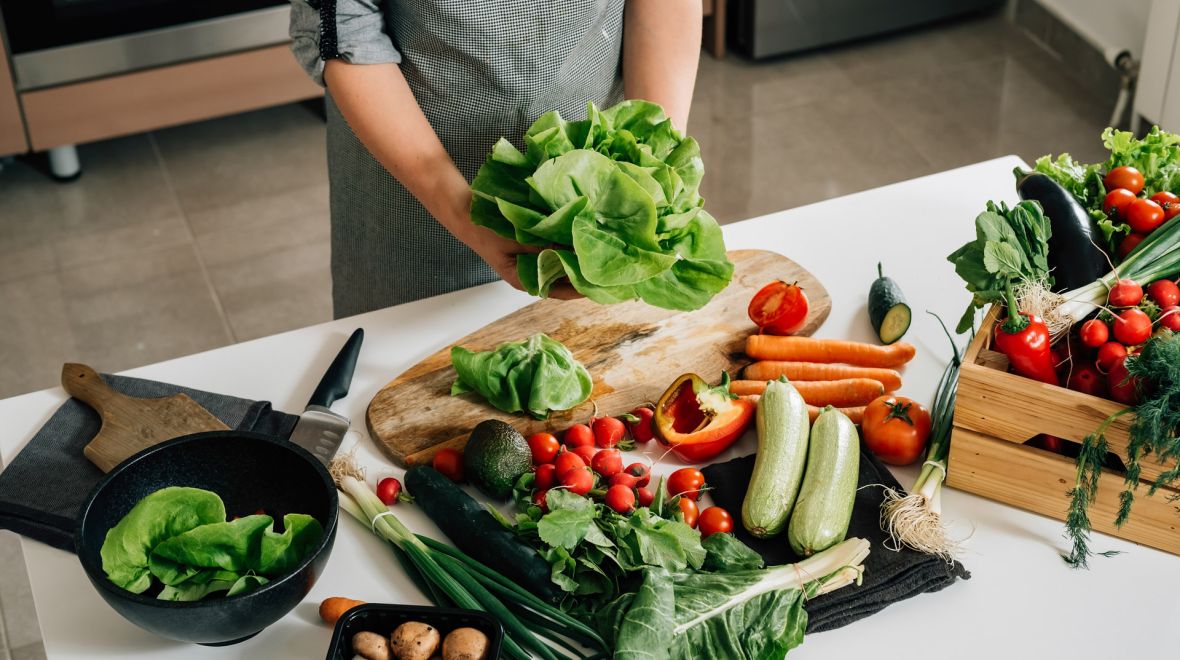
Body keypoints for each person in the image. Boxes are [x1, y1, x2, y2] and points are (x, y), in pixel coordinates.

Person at [290, 1, 702, 318]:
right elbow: (347, 26)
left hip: (596, 211)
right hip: (415, 204)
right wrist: (465, 212)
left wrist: (653, 167)